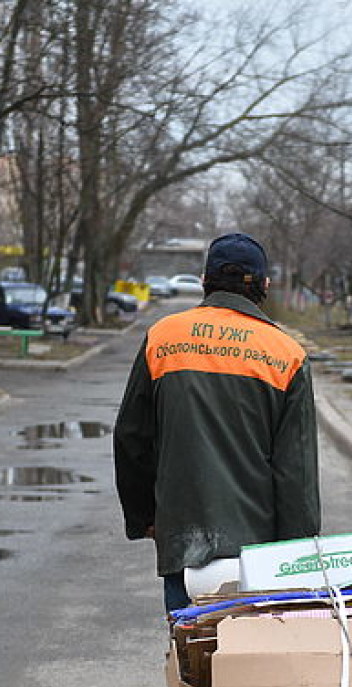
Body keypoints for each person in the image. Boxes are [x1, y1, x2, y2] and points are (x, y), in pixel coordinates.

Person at [113, 232, 321, 614]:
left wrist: (146, 517)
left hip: (183, 540)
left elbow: (131, 437)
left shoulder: (162, 338)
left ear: (205, 280)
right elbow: (296, 472)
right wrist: (299, 557)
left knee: (191, 659)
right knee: (251, 665)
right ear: (265, 285)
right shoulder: (286, 354)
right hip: (258, 551)